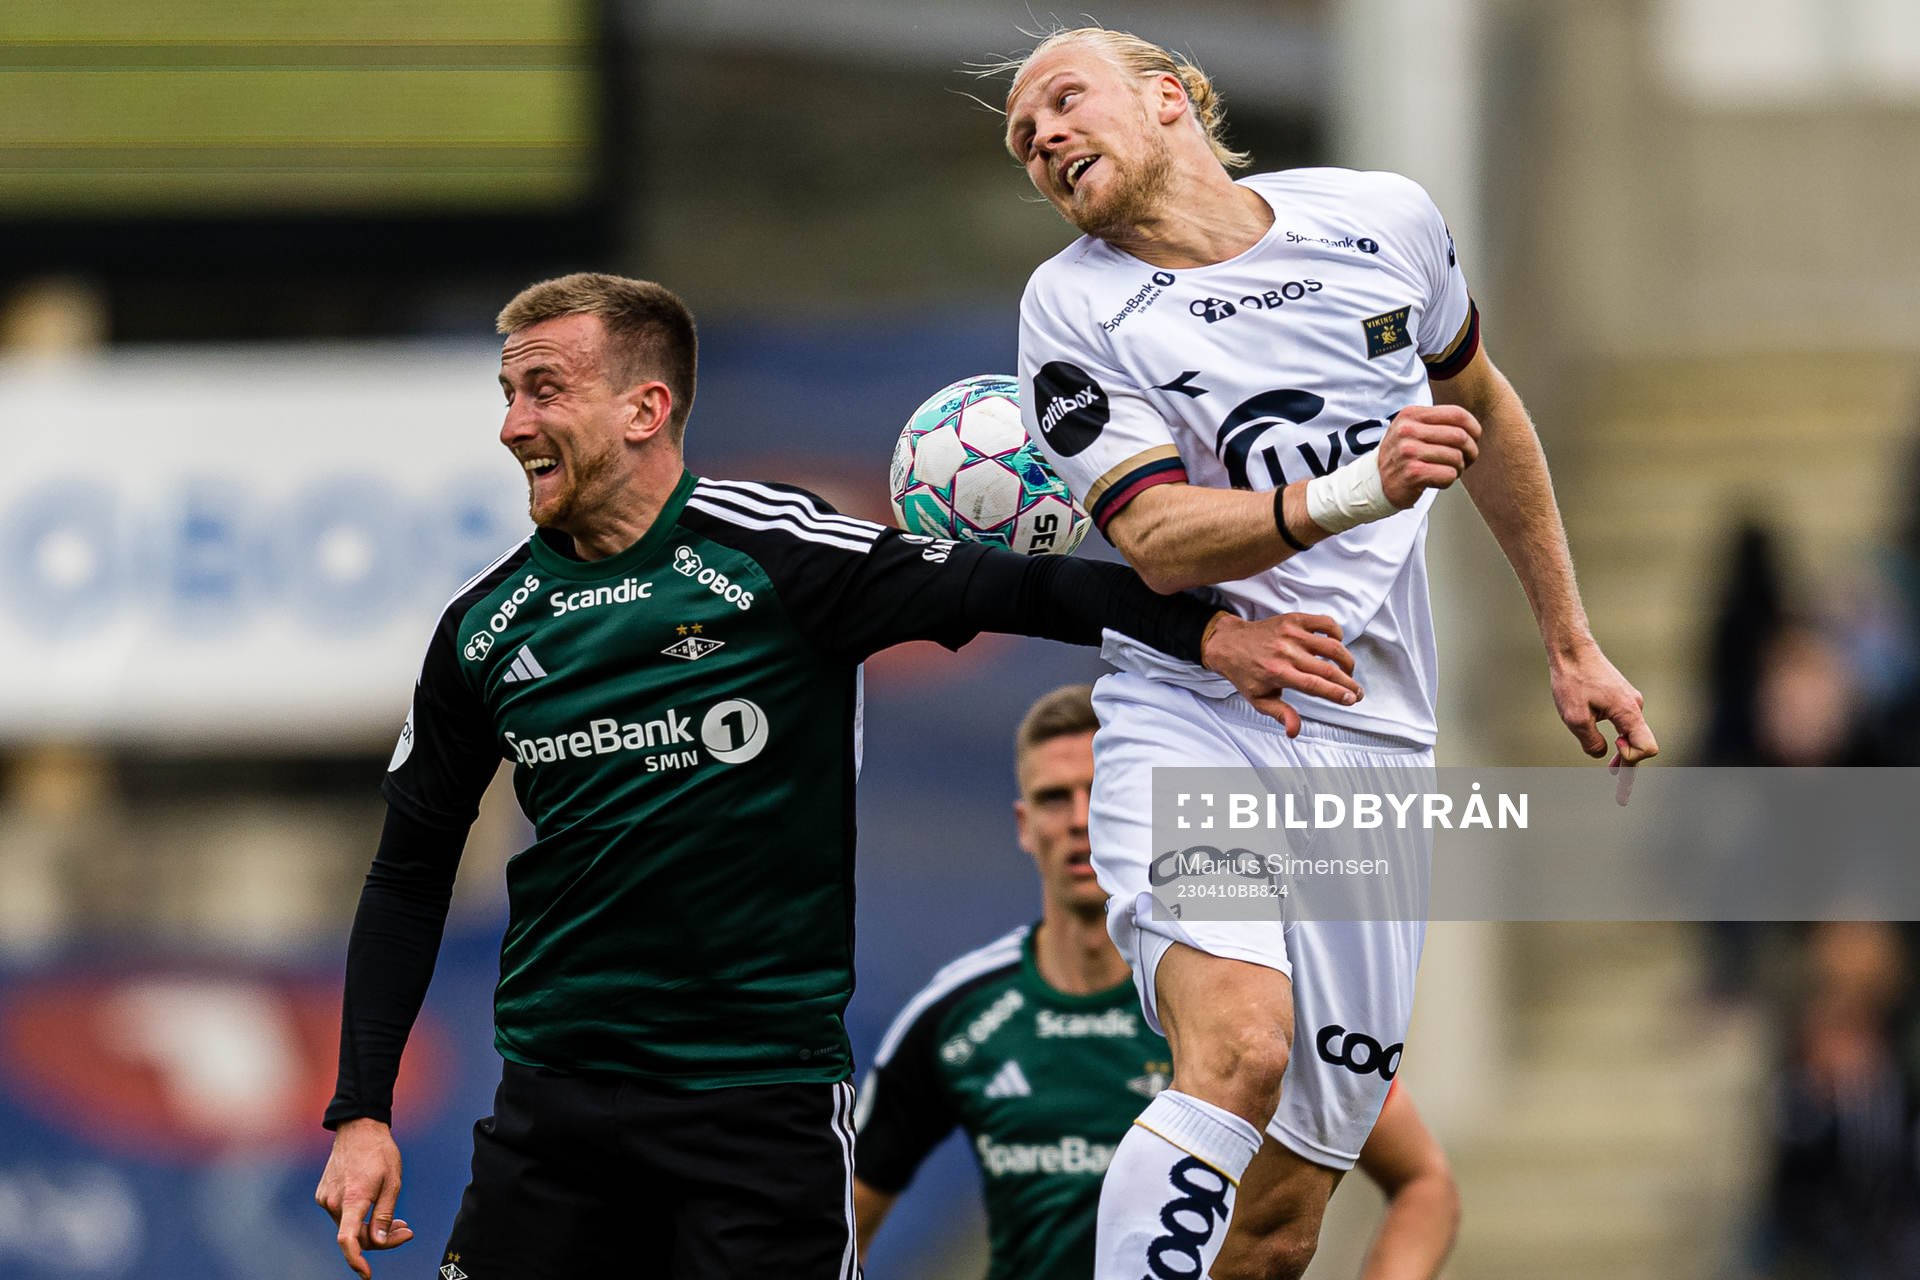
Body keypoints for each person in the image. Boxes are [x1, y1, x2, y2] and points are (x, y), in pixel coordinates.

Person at [311, 272, 1372, 1280]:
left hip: (757, 1115)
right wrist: (362, 1108)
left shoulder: (782, 557)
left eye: (544, 389)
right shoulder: (484, 626)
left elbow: (1028, 588)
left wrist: (1210, 636)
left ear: (646, 407)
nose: (512, 424)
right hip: (554, 1113)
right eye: (507, 393)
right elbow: (407, 872)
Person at [995, 26, 1659, 1280]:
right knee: (1238, 1049)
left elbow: (1482, 406)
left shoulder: (1381, 218)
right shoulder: (1071, 305)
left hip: (1372, 738)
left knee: (1289, 1212)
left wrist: (1571, 643)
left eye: (1063, 104)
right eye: (1025, 139)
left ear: (1174, 97)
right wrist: (1355, 488)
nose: (1044, 142)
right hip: (1200, 713)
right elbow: (1155, 535)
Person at [853, 685, 1460, 1280]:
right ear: (1023, 823)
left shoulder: (1242, 1003)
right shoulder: (960, 1015)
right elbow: (843, 1220)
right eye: (1054, 798)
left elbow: (1424, 1182)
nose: (1080, 820)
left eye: (1100, 793)